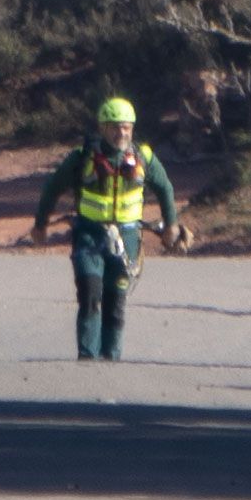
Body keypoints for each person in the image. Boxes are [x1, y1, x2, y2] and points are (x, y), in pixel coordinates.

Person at [32, 98, 181, 361]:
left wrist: (171, 225)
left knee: (116, 299)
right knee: (90, 291)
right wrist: (40, 224)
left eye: (125, 127)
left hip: (127, 238)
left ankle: (111, 358)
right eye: (114, 127)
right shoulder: (81, 157)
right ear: (102, 128)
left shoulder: (143, 158)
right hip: (89, 235)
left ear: (132, 129)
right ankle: (87, 356)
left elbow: (165, 189)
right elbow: (53, 188)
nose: (120, 133)